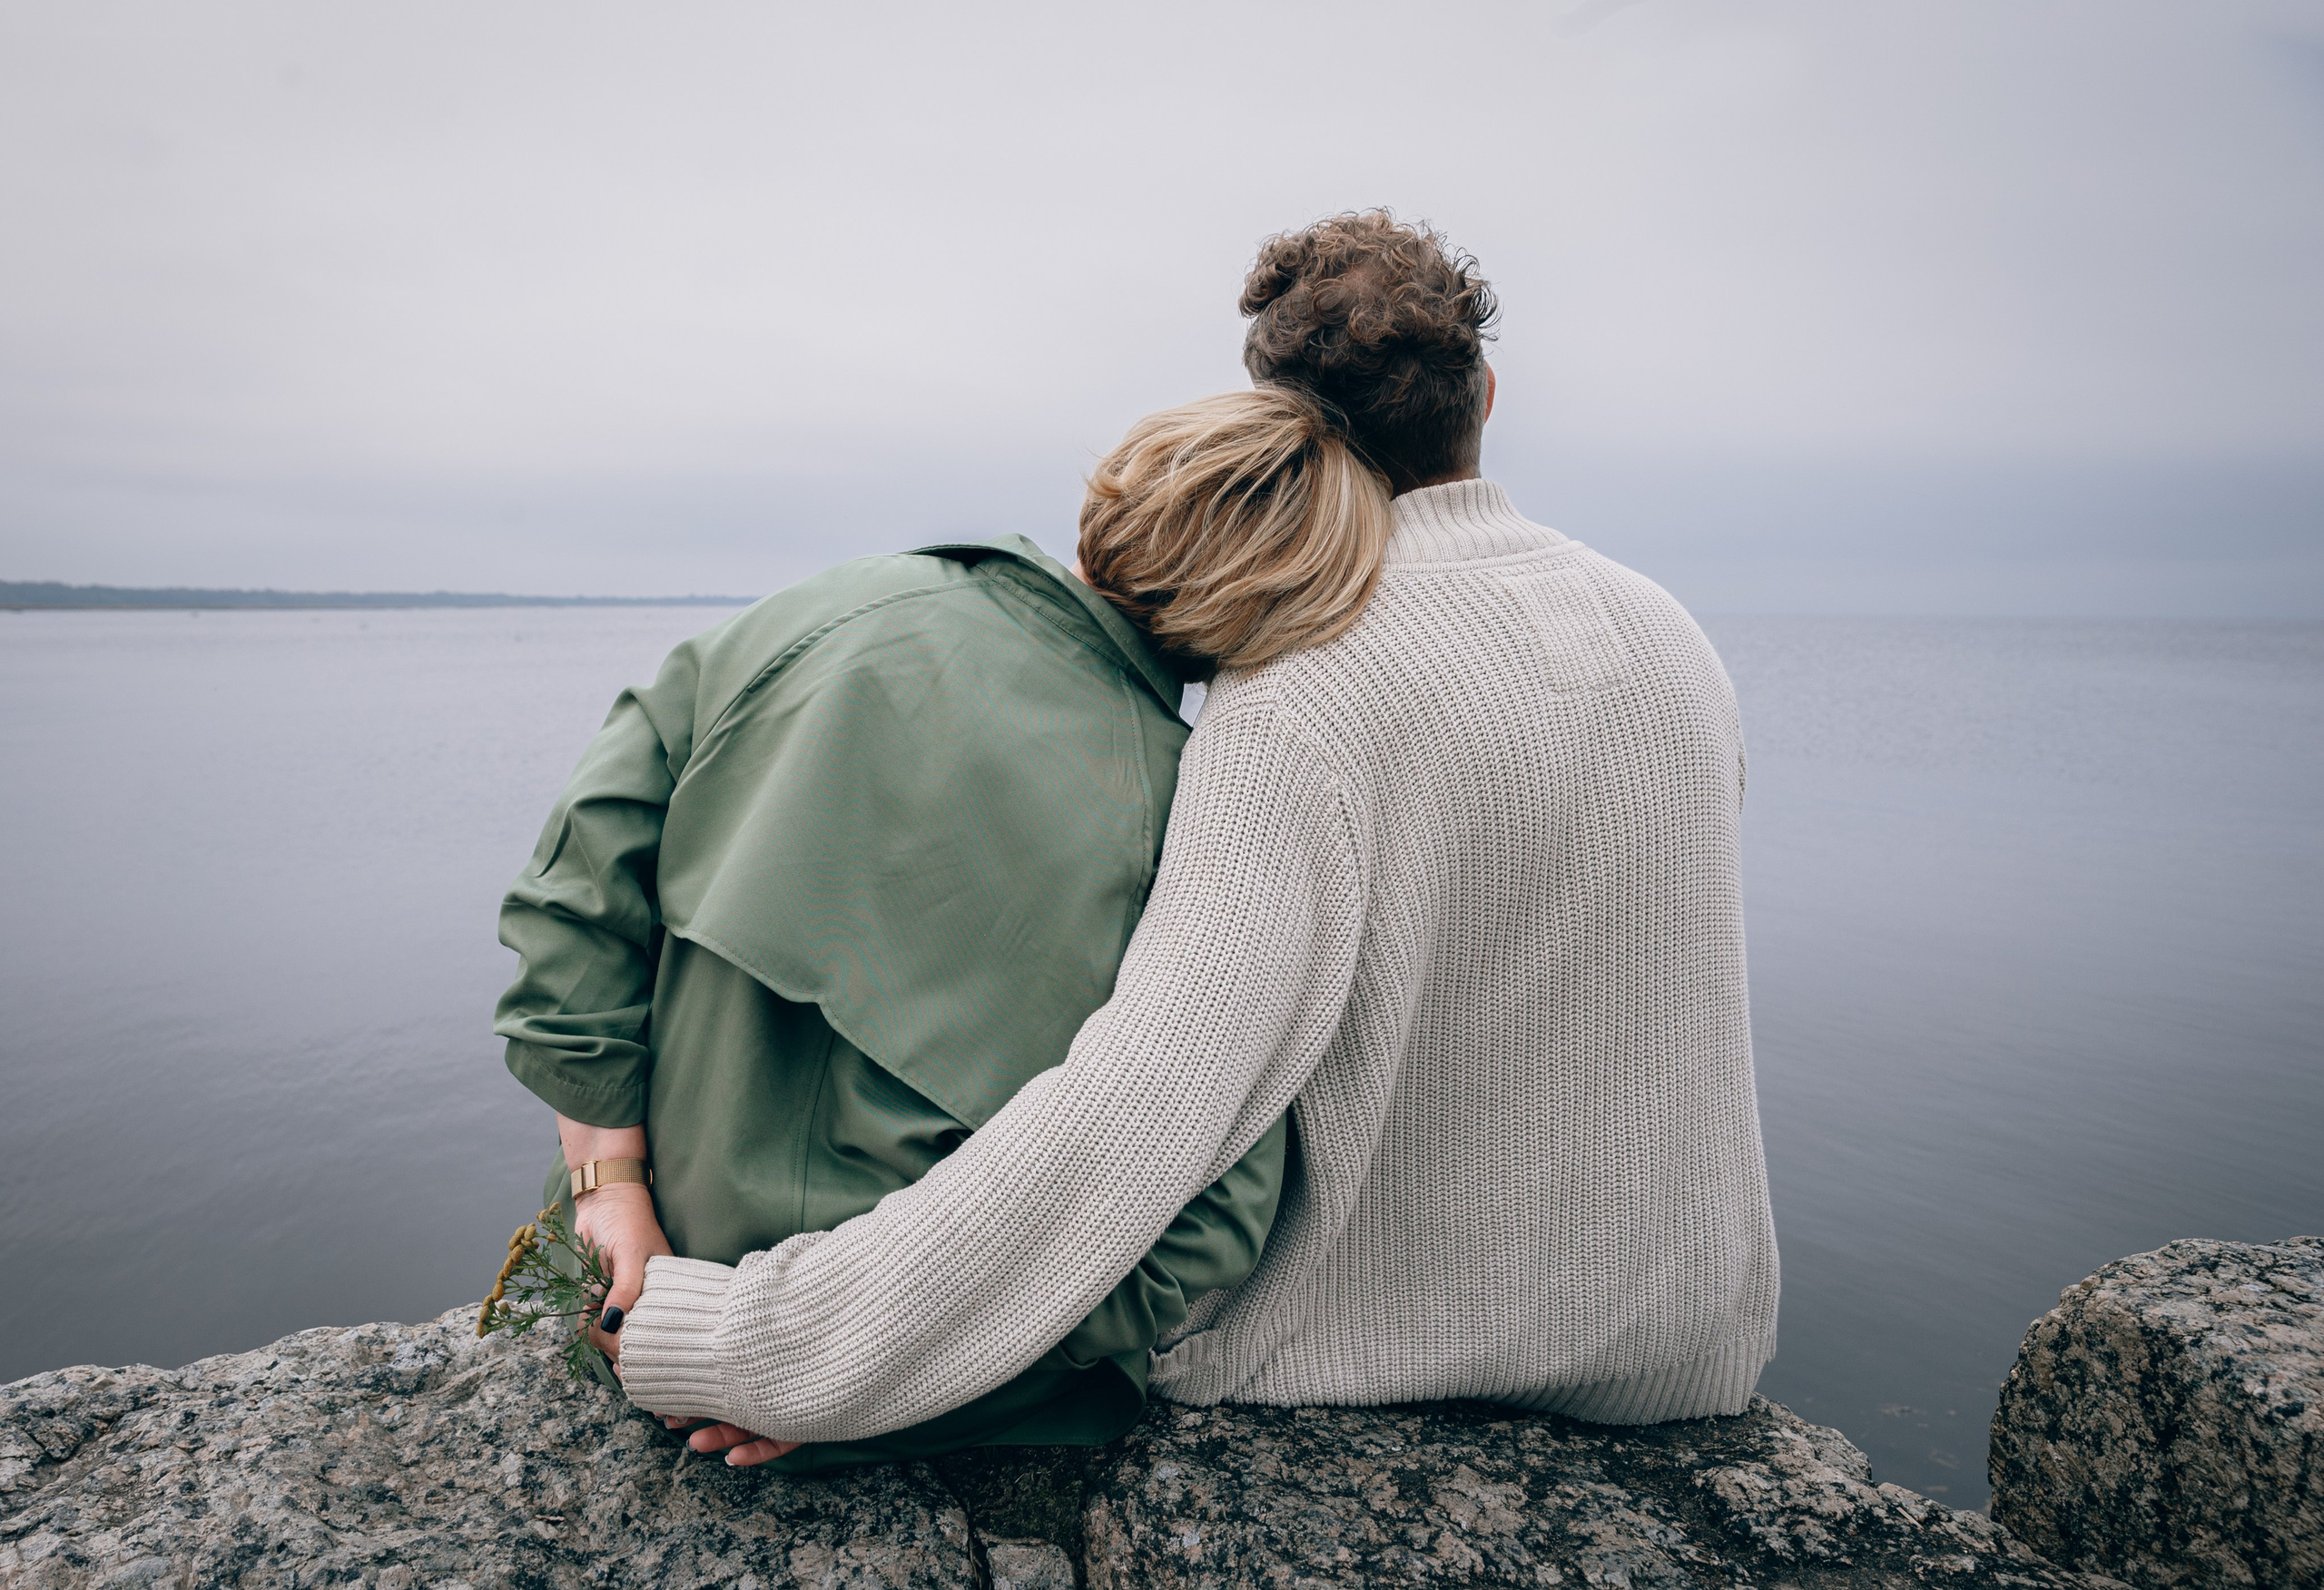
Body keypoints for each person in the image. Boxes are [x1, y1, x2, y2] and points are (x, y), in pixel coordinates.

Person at [613, 211, 1782, 1460]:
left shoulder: (1306, 691)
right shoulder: (1671, 637)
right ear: (1485, 394)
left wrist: (761, 1348)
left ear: (1283, 426)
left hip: (1381, 1367)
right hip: (1680, 1354)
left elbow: (1135, 1116)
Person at [493, 386, 1386, 1468]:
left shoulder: (832, 608)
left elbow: (577, 884)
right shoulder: (1197, 813)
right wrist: (881, 1372)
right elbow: (1210, 1223)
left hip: (634, 1299)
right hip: (929, 1402)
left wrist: (609, 1190)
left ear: (1124, 488)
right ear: (1289, 612)